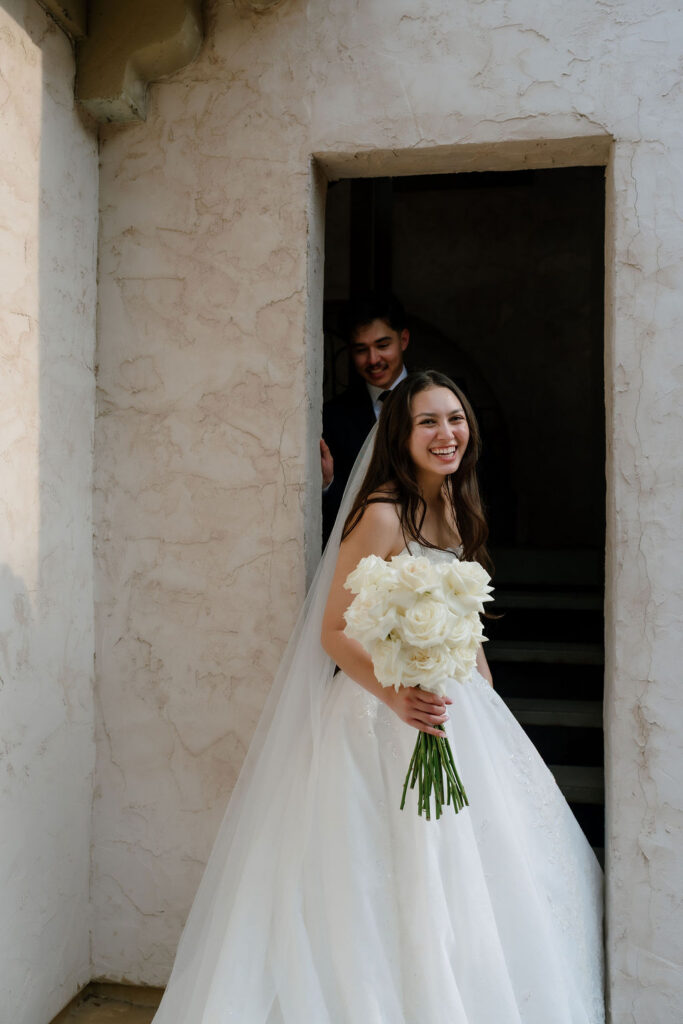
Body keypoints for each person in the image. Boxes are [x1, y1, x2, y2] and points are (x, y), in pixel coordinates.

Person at [152, 371, 605, 1024]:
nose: (446, 433)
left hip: (456, 709)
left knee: (469, 873)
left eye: (455, 418)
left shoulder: (457, 503)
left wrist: (486, 703)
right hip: (379, 716)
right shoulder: (381, 513)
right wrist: (396, 698)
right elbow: (333, 632)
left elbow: (464, 620)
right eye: (428, 421)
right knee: (382, 873)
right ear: (400, 433)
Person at [321, 293, 409, 543]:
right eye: (361, 350)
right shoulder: (333, 417)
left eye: (382, 345)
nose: (373, 360)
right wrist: (327, 484)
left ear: (403, 339)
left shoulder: (441, 400)